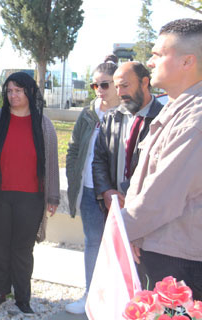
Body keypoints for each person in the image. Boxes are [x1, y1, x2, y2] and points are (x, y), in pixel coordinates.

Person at [122, 18, 202, 300]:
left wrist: (123, 231)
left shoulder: (196, 117)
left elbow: (164, 194)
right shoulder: (178, 108)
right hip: (162, 248)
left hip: (181, 261)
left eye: (158, 54)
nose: (150, 62)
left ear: (187, 61)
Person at [0, 72, 60, 314]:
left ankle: (22, 298)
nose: (13, 95)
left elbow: (52, 163)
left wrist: (53, 196)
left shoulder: (43, 124)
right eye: (9, 91)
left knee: (22, 249)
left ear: (29, 92)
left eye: (18, 90)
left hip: (30, 197)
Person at [64, 59, 120, 314]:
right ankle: (91, 296)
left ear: (118, 84)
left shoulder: (128, 113)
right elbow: (74, 148)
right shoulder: (88, 114)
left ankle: (118, 298)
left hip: (118, 194)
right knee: (93, 243)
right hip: (89, 191)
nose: (99, 89)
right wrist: (74, 176)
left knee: (121, 246)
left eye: (104, 84)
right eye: (94, 84)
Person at [92, 61, 164, 211]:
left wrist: (128, 194)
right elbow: (99, 159)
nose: (119, 93)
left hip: (148, 210)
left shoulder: (164, 119)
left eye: (124, 86)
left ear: (144, 82)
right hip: (114, 208)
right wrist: (106, 191)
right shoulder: (111, 118)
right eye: (117, 87)